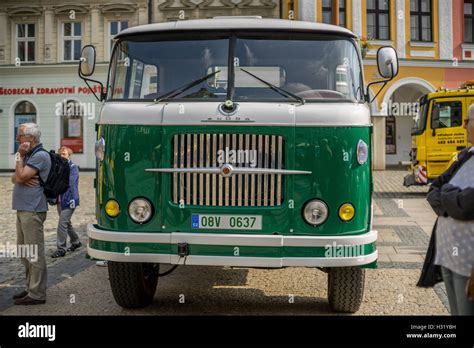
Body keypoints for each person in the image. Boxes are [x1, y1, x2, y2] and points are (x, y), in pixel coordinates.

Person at [419, 104, 474, 315]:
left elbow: (466, 205)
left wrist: (447, 195)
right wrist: (451, 196)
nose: (464, 125)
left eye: (468, 120)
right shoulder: (465, 156)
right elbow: (433, 189)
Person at [11, 123, 51, 305]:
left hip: (33, 209)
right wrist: (20, 174)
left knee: (34, 252)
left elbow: (19, 177)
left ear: (30, 138)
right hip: (23, 208)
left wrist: (19, 158)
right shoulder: (29, 156)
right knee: (24, 251)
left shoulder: (40, 156)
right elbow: (15, 178)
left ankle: (37, 294)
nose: (17, 139)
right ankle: (30, 287)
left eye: (20, 135)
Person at [51, 146, 81, 258]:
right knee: (67, 223)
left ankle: (61, 249)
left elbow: (70, 183)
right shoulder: (57, 167)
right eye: (60, 154)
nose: (61, 155)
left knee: (62, 224)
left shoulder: (73, 168)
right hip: (60, 200)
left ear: (69, 155)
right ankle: (76, 241)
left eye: (64, 154)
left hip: (70, 200)